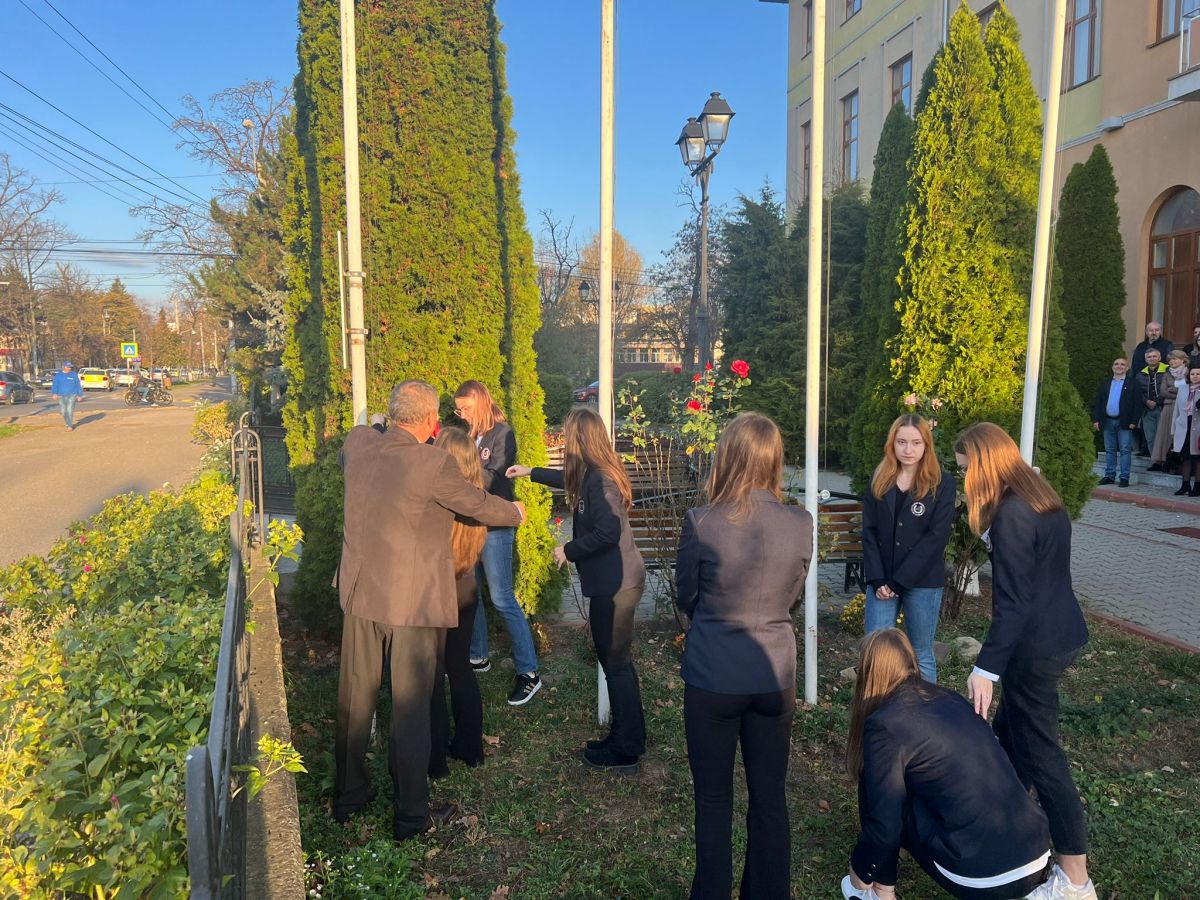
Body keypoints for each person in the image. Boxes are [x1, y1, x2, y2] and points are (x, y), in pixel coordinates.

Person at [333, 380, 525, 842]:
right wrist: (515, 511)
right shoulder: (431, 463)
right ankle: (411, 816)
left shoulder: (358, 445)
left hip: (360, 597)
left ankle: (349, 795)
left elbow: (366, 434)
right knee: (410, 708)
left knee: (355, 700)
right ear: (430, 421)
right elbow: (476, 504)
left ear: (391, 413)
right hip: (411, 605)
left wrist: (378, 425)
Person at [954, 423, 1097, 900]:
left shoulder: (1012, 514)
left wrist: (984, 670)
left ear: (984, 464)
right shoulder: (1040, 498)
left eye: (966, 468)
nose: (965, 478)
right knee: (1008, 743)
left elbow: (1013, 604)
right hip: (1058, 634)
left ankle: (1075, 879)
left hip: (1033, 648)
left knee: (1041, 754)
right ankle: (1010, 839)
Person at [675, 412, 813, 900]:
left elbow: (686, 595)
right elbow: (793, 593)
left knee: (713, 799)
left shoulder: (703, 521)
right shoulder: (801, 522)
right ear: (774, 460)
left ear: (728, 456)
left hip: (713, 673)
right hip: (774, 673)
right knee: (770, 797)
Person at [841, 630, 1051, 900]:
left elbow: (885, 825)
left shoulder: (885, 725)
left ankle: (879, 891)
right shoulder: (950, 698)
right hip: (1035, 851)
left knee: (879, 788)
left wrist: (860, 870)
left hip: (982, 873)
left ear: (869, 674)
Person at [508, 407, 648, 774]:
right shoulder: (593, 473)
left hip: (617, 586)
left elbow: (608, 532)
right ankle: (629, 737)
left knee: (615, 665)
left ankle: (625, 749)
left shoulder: (600, 480)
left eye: (569, 435)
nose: (566, 441)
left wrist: (568, 550)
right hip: (616, 582)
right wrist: (530, 472)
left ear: (580, 439)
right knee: (617, 664)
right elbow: (567, 478)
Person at [454, 380, 542, 706]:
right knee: (471, 593)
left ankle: (529, 673)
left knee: (503, 598)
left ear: (480, 402)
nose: (462, 414)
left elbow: (494, 477)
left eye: (465, 408)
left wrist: (459, 476)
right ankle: (478, 655)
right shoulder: (467, 437)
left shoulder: (502, 434)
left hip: (495, 527)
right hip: (469, 525)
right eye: (458, 410)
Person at [861, 414, 956, 683]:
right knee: (876, 651)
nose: (908, 450)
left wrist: (900, 581)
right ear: (892, 443)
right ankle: (877, 705)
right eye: (901, 442)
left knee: (920, 652)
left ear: (926, 445)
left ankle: (926, 707)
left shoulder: (942, 483)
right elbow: (869, 532)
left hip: (922, 581)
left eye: (916, 443)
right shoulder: (880, 478)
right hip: (882, 582)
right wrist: (877, 578)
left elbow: (936, 538)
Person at [428, 426, 490, 778]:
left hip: (436, 589)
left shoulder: (438, 500)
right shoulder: (478, 498)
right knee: (460, 666)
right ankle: (470, 748)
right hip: (466, 586)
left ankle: (435, 759)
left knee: (433, 672)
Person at [1090, 357, 1141, 487]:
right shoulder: (1106, 383)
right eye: (1116, 364)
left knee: (1125, 450)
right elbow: (1099, 402)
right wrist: (1096, 420)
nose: (1119, 366)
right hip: (1107, 421)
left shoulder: (1133, 383)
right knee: (1110, 450)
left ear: (1127, 368)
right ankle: (1109, 476)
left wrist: (1134, 421)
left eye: (1122, 364)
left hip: (1125, 422)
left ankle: (1124, 477)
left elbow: (1138, 404)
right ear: (1112, 367)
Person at [1150, 350, 1189, 471]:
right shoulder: (1167, 374)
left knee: (1180, 434)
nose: (1172, 361)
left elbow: (1189, 390)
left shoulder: (1189, 373)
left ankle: (1178, 463)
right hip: (1169, 407)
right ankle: (1160, 460)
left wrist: (1173, 389)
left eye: (1175, 359)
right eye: (1170, 360)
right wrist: (1180, 392)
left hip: (1185, 407)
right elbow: (1163, 392)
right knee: (1165, 433)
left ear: (1183, 360)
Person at [1169, 363, 1200, 496]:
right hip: (1183, 426)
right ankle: (1185, 484)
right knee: (1185, 457)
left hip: (1197, 428)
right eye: (1192, 374)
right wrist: (1173, 430)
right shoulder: (1183, 389)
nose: (1195, 376)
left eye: (1198, 374)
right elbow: (1176, 410)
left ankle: (1198, 486)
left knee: (1197, 458)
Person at [1136, 348, 1168, 459]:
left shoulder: (1168, 370)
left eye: (1154, 356)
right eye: (1149, 357)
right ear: (1146, 360)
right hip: (1147, 410)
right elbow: (1137, 392)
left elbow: (1170, 387)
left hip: (1163, 407)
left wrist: (1157, 401)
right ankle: (1154, 461)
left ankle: (1164, 461)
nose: (1152, 358)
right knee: (1150, 437)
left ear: (1159, 358)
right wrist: (1146, 401)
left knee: (1163, 436)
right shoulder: (1140, 374)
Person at [50, 361, 83, 431]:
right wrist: (54, 393)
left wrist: (80, 395)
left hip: (72, 395)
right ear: (63, 367)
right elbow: (55, 385)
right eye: (68, 367)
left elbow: (78, 385)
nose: (69, 368)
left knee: (69, 410)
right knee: (63, 411)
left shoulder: (74, 375)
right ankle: (68, 423)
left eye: (70, 367)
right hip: (61, 395)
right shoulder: (58, 375)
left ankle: (69, 426)